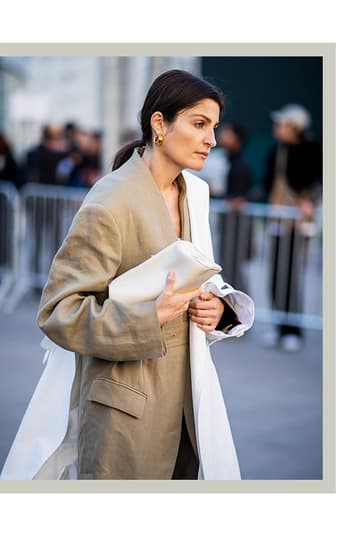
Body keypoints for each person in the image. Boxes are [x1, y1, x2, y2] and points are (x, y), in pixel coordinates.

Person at [30, 70, 254, 479]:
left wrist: (218, 309)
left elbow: (201, 279)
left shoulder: (195, 194)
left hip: (190, 405)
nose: (212, 140)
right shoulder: (110, 201)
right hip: (125, 414)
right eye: (200, 124)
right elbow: (58, 311)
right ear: (159, 124)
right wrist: (147, 317)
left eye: (215, 127)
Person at [262, 104, 322, 352]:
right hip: (277, 219)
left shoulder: (313, 149)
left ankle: (293, 330)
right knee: (276, 272)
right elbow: (267, 181)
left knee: (291, 275)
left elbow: (321, 180)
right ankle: (278, 326)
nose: (278, 128)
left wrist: (311, 201)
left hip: (299, 222)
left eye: (283, 124)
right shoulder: (277, 149)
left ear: (295, 127)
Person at [216, 122, 253, 293]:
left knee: (232, 264)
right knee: (227, 263)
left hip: (236, 221)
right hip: (229, 219)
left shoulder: (241, 164)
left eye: (228, 134)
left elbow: (242, 195)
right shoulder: (227, 160)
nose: (222, 136)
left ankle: (239, 303)